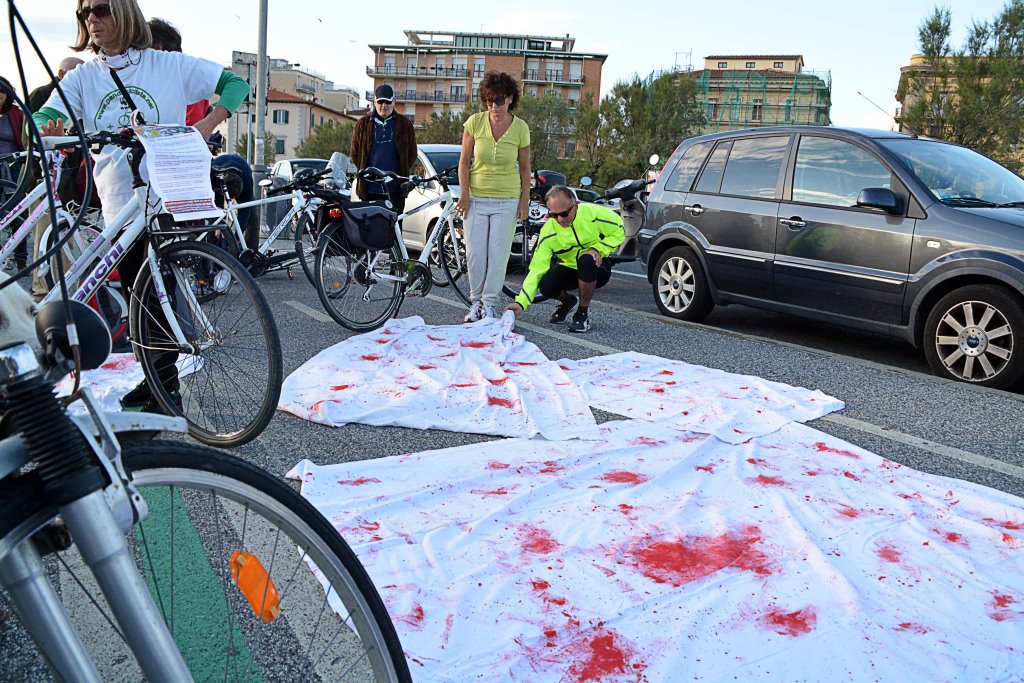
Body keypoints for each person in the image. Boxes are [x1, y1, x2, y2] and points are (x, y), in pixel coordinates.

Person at [32, 0, 249, 412]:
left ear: (123, 11)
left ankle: (165, 388)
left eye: (100, 9)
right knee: (137, 293)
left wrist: (206, 124)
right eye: (84, 13)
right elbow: (40, 118)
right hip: (120, 202)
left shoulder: (167, 65)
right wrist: (46, 128)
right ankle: (157, 382)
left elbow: (236, 84)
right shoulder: (83, 77)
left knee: (156, 291)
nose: (91, 19)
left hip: (167, 192)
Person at [147, 17, 258, 249]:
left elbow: (237, 86)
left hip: (179, 175)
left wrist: (205, 128)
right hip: (185, 173)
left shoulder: (178, 77)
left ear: (158, 49)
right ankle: (240, 249)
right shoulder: (183, 87)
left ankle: (234, 249)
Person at [455, 71, 530, 322]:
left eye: (498, 100)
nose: (493, 106)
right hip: (476, 198)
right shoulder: (474, 123)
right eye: (489, 100)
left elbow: (525, 168)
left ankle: (489, 305)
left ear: (509, 99)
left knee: (498, 255)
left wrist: (524, 202)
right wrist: (464, 194)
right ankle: (475, 303)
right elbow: (463, 163)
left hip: (507, 199)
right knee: (475, 254)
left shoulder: (520, 128)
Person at [504, 185, 624, 333]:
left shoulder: (593, 213)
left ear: (576, 206)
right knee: (546, 286)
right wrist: (521, 303)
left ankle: (582, 314)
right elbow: (537, 269)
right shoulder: (548, 231)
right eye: (554, 215)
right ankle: (568, 301)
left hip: (597, 267)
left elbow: (619, 230)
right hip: (571, 268)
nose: (560, 219)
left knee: (586, 259)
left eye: (564, 213)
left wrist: (598, 249)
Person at [350, 84, 417, 214]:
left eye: (388, 102)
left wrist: (401, 172)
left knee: (394, 226)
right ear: (374, 102)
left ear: (394, 102)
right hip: (369, 190)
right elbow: (355, 153)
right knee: (370, 226)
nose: (384, 105)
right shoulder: (362, 124)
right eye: (380, 102)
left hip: (396, 190)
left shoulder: (405, 124)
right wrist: (367, 172)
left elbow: (412, 153)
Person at [0, 76, 28, 271]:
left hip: (15, 167)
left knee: (17, 213)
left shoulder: (17, 114)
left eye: (1, 91)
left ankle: (21, 259)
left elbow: (27, 140)